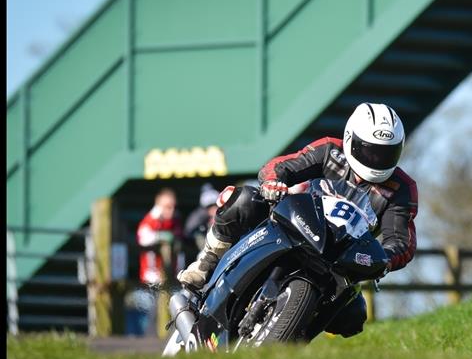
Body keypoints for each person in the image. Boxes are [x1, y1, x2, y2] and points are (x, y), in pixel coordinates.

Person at [177, 103, 418, 338]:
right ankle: (207, 263)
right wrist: (273, 182)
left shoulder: (402, 188)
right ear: (350, 139)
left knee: (353, 317)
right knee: (242, 200)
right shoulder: (329, 150)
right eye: (370, 150)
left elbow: (401, 241)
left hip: (343, 255)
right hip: (296, 221)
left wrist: (384, 260)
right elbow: (280, 166)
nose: (376, 159)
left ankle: (293, 343)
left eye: (386, 153)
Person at [137, 188, 183, 285]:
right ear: (158, 206)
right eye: (168, 207)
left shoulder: (175, 221)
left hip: (171, 277)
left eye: (173, 206)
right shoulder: (151, 220)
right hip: (151, 279)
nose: (172, 210)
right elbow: (142, 238)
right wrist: (159, 236)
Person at [182, 183, 220, 264]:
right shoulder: (199, 215)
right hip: (204, 250)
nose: (213, 209)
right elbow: (188, 231)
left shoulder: (224, 214)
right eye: (210, 207)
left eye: (215, 205)